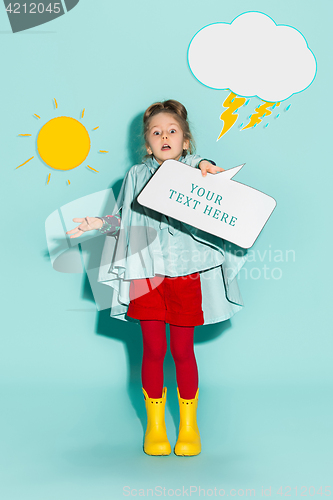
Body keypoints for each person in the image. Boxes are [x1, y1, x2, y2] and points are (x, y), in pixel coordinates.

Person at [66, 100, 247, 457]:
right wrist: (98, 224)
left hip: (187, 274)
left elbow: (210, 177)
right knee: (153, 350)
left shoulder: (199, 171)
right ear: (148, 144)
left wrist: (207, 167)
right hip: (145, 274)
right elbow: (122, 220)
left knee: (182, 350)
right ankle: (156, 426)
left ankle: (190, 426)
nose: (165, 135)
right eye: (156, 132)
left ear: (186, 140)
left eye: (172, 131)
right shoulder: (134, 176)